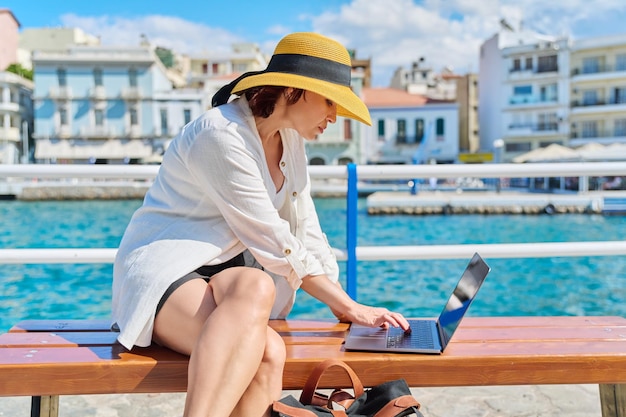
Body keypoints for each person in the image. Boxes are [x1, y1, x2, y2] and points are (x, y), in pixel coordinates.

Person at [112, 32, 410, 417]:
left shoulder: (291, 139)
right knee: (267, 348)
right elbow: (273, 239)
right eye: (329, 102)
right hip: (167, 273)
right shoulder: (220, 134)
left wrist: (340, 302)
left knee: (262, 311)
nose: (334, 116)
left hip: (230, 278)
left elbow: (305, 227)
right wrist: (350, 306)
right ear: (292, 91)